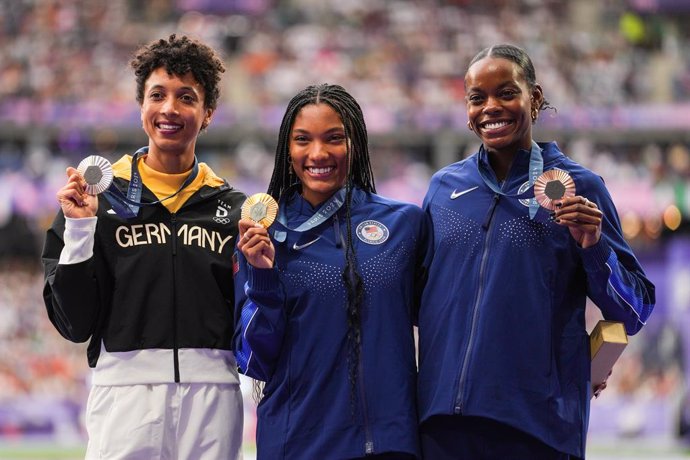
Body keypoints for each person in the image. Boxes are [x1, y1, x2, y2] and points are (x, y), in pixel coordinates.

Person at [417, 43, 656, 460]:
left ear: (536, 98)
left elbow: (635, 310)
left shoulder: (581, 188)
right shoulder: (443, 189)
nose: (491, 107)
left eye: (507, 92)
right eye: (478, 98)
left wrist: (595, 249)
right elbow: (414, 301)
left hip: (537, 430)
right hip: (443, 428)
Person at [41, 34, 246, 459]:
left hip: (214, 397)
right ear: (141, 107)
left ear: (207, 113)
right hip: (124, 397)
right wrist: (80, 231)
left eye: (186, 97)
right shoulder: (95, 197)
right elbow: (74, 324)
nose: (170, 108)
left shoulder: (233, 208)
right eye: (158, 95)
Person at [233, 83, 432, 459]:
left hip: (390, 444)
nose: (318, 153)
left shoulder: (405, 224)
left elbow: (443, 322)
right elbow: (254, 359)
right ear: (286, 149)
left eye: (334, 138)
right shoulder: (264, 233)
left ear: (354, 143)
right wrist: (262, 276)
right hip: (298, 444)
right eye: (303, 139)